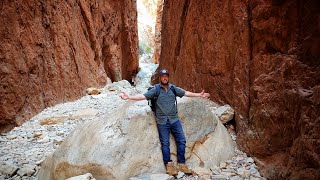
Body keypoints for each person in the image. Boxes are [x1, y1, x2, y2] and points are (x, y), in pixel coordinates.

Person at [120, 69, 210, 176]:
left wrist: (199, 95)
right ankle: (169, 166)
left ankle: (182, 164)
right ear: (160, 78)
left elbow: (186, 93)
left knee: (181, 140)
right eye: (163, 76)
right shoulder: (156, 90)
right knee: (165, 144)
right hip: (162, 121)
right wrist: (129, 97)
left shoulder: (173, 88)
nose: (164, 78)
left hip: (174, 120)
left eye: (166, 76)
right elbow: (143, 96)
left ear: (168, 77)